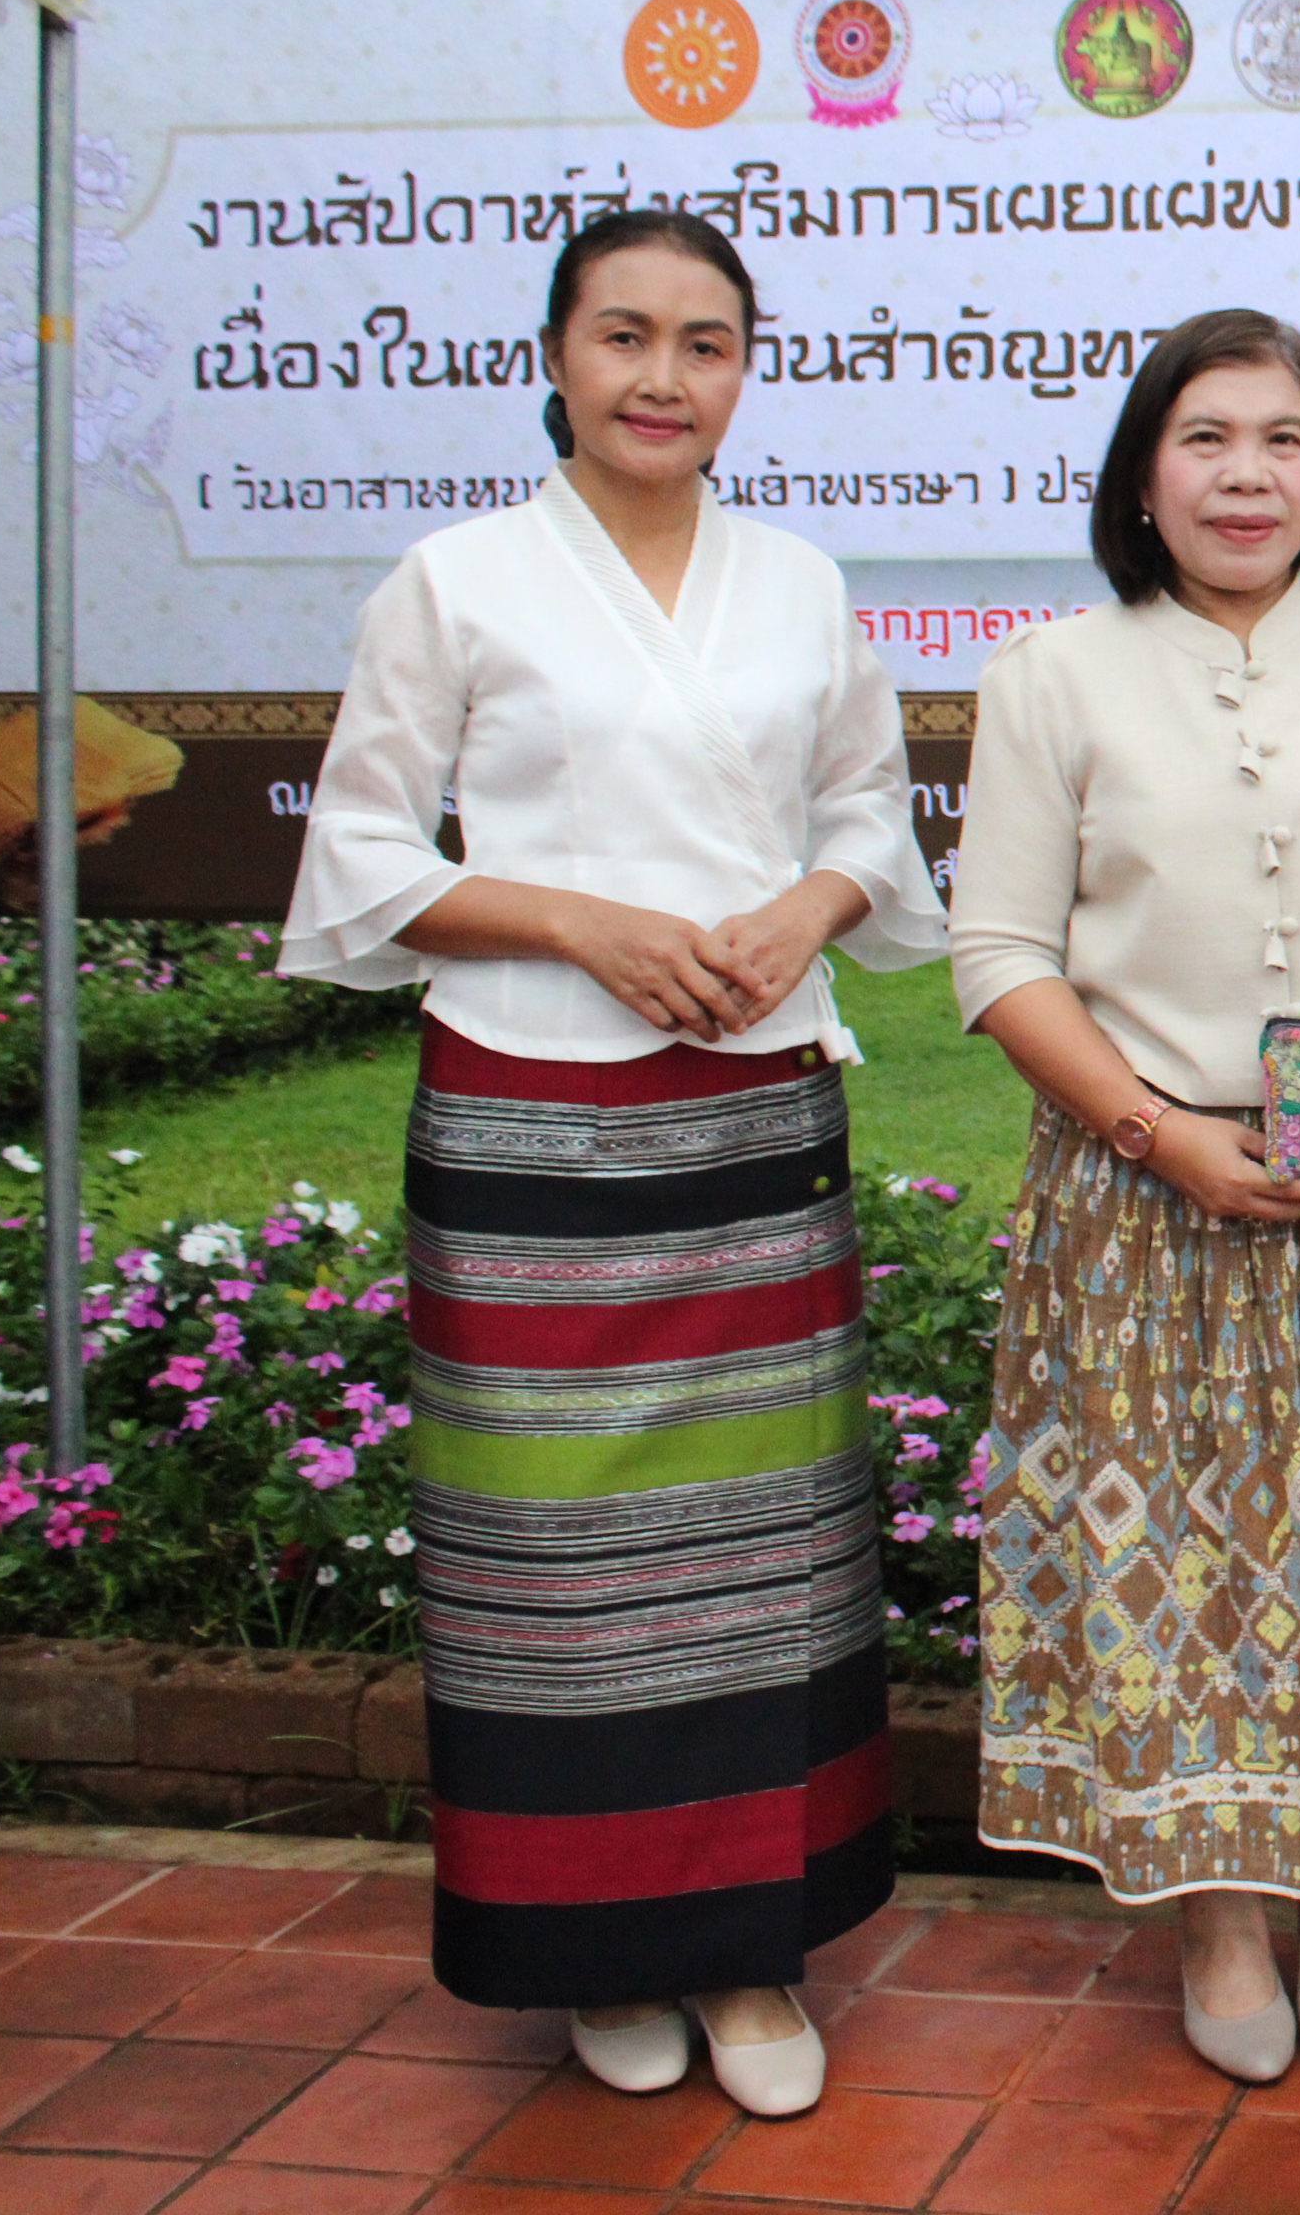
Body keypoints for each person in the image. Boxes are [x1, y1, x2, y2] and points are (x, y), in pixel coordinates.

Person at [279, 211, 948, 2117]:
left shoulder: (799, 581)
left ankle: (750, 1954)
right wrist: (586, 926)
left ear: (751, 367)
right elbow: (367, 857)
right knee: (555, 1558)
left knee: (762, 1549)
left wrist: (801, 907)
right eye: (626, 336)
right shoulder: (458, 579)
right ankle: (596, 1954)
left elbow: (862, 820)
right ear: (558, 354)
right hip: (527, 1125)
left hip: (752, 1114)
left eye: (706, 342)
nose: (664, 377)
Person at [948, 311, 1300, 2084]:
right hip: (1149, 1198)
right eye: (1206, 439)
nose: (1247, 473)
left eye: (1283, 438)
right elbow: (997, 951)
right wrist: (1150, 1131)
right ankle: (1212, 1907)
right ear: (1143, 474)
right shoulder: (1056, 672)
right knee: (1178, 1563)